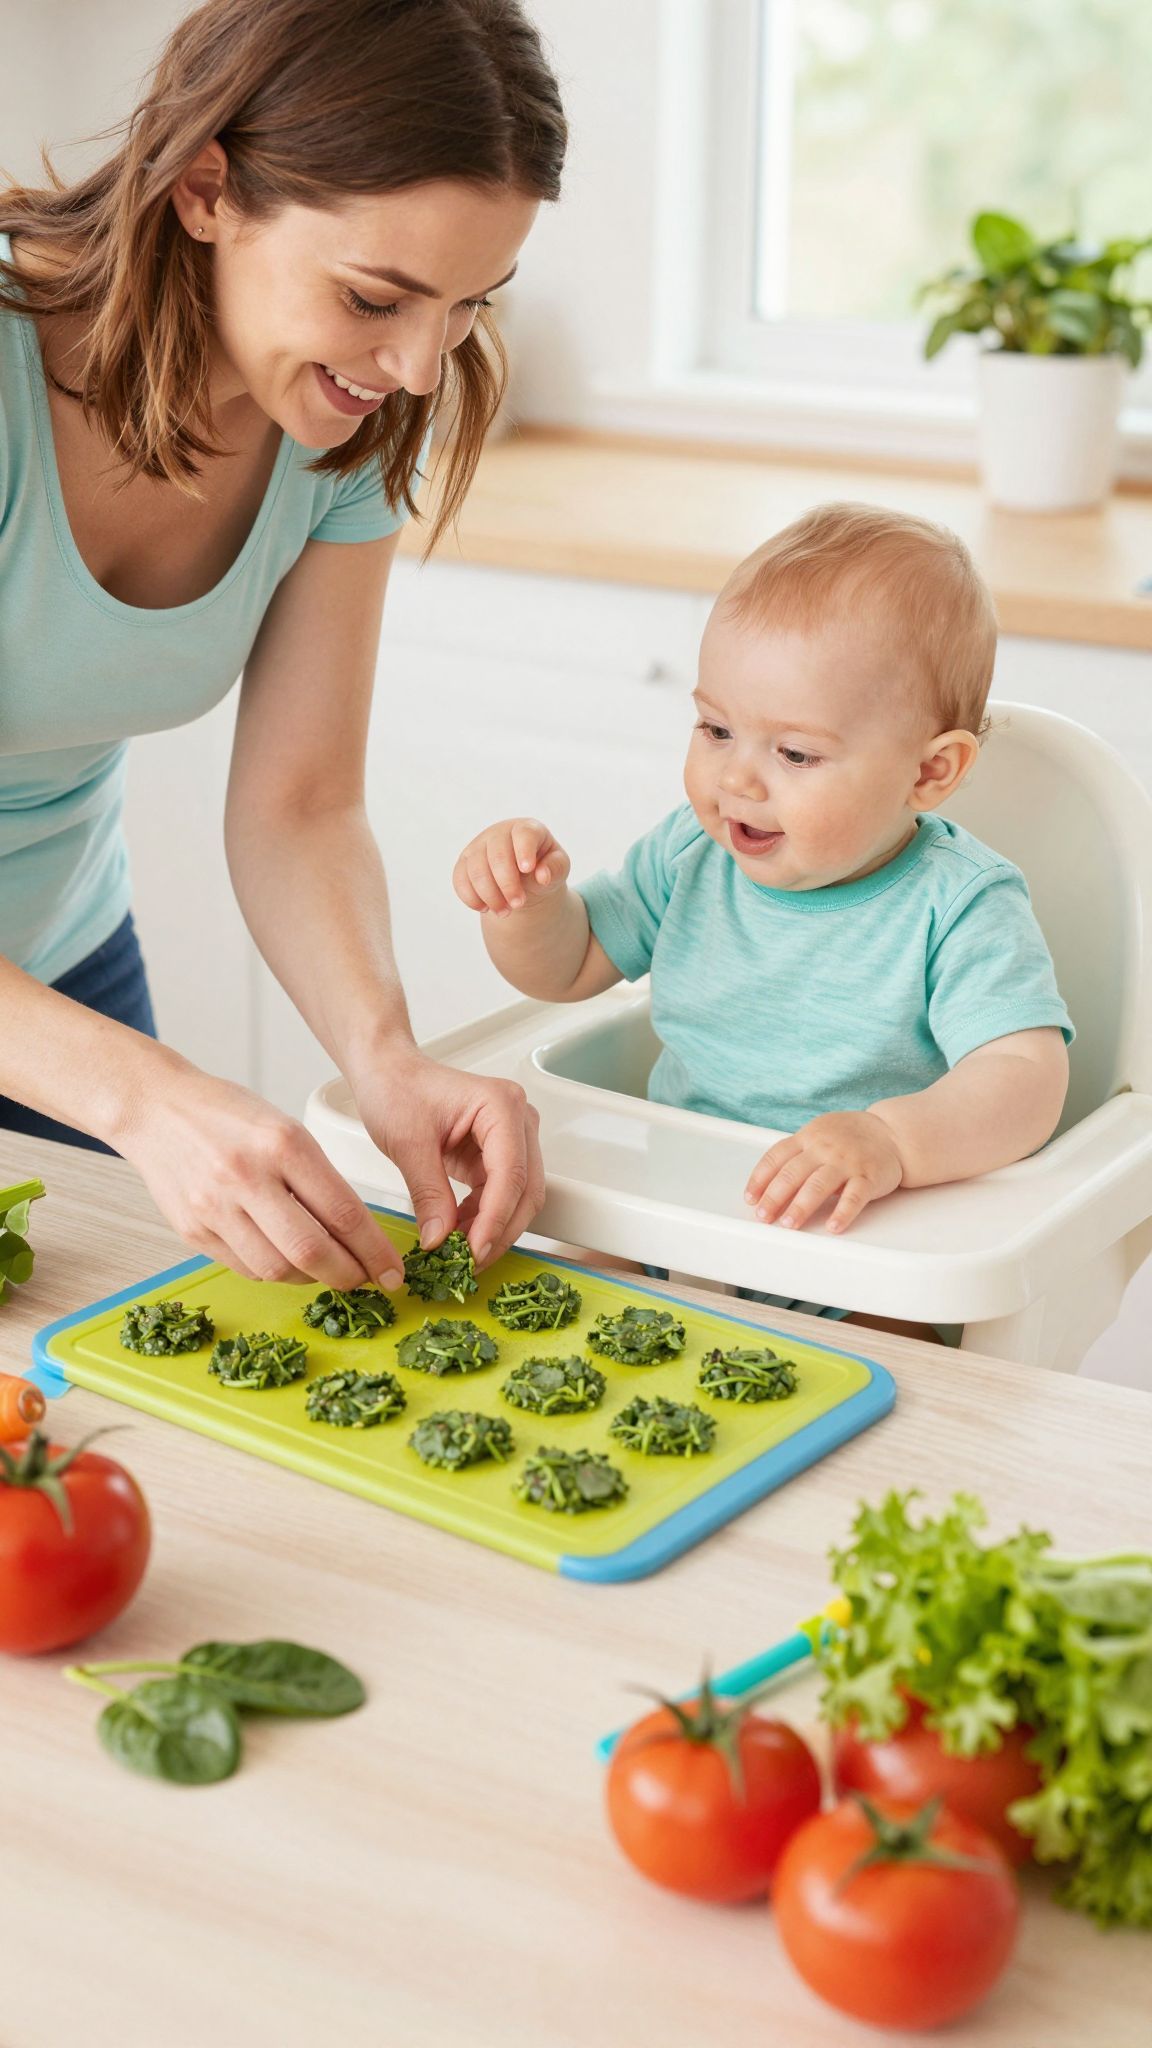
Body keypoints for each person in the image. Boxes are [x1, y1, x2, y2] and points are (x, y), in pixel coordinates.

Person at [0, 0, 566, 1290]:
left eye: (467, 305)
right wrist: (148, 1097)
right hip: (93, 1057)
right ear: (207, 191)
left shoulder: (345, 421)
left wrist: (386, 1056)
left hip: (66, 970)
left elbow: (301, 802)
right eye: (375, 297)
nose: (418, 370)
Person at [452, 501, 1073, 1339]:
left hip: (862, 1252)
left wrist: (891, 1142)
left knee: (899, 1376)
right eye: (716, 728)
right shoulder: (691, 854)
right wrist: (524, 906)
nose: (737, 780)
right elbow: (571, 964)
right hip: (671, 1223)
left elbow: (1026, 1080)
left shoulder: (960, 904)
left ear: (930, 773)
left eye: (795, 754)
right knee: (551, 1317)